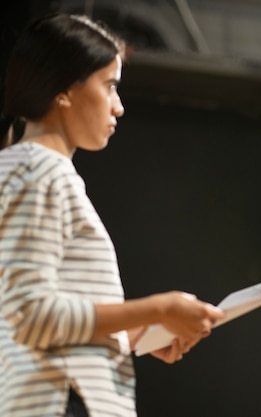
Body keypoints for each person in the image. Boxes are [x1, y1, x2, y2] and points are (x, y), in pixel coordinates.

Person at [0, 13, 224, 417]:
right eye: (110, 87)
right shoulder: (41, 171)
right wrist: (160, 309)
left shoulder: (24, 168)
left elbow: (42, 317)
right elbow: (30, 315)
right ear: (64, 90)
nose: (119, 107)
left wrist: (136, 334)